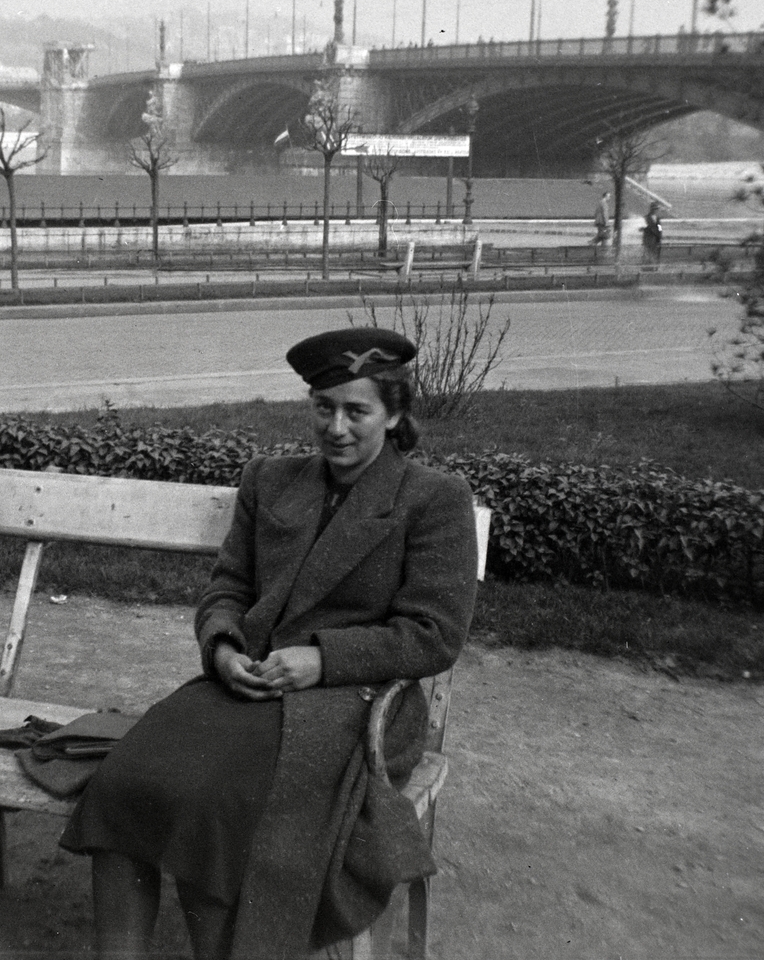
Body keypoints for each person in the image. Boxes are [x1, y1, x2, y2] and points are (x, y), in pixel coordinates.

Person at [60, 327, 479, 960]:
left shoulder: (434, 499)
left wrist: (322, 659)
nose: (336, 427)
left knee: (223, 807)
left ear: (395, 415)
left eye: (356, 411)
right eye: (323, 408)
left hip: (353, 703)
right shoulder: (272, 480)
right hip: (247, 684)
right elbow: (227, 587)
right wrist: (223, 648)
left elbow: (434, 636)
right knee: (124, 783)